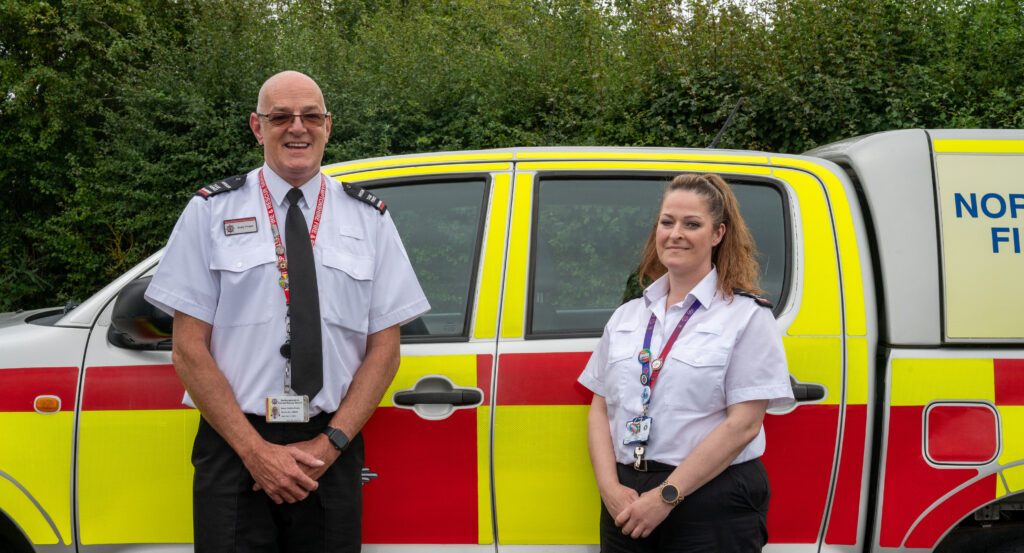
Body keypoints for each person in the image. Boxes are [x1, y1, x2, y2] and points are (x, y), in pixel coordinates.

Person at [145, 70, 429, 552]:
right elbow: (188, 349)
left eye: (310, 116)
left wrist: (328, 445)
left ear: (328, 125)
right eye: (281, 117)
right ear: (258, 127)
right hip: (234, 445)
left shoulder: (369, 218)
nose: (297, 127)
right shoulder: (210, 212)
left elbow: (385, 348)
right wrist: (255, 452)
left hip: (330, 448)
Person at [578, 173, 793, 552]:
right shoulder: (627, 316)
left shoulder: (746, 317)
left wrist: (665, 497)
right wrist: (610, 489)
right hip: (627, 498)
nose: (675, 233)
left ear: (717, 234)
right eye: (667, 222)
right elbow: (600, 407)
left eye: (692, 224)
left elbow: (743, 425)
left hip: (710, 496)